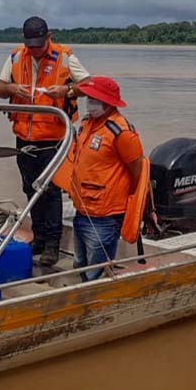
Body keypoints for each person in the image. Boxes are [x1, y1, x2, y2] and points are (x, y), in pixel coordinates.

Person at [0, 16, 91, 266]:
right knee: (29, 188)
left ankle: (52, 245)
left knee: (50, 192)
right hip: (23, 137)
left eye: (40, 45)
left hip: (54, 138)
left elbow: (90, 85)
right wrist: (13, 90)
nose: (35, 51)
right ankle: (38, 237)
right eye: (31, 46)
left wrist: (67, 91)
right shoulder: (16, 56)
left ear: (49, 37)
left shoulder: (65, 56)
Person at [59, 76, 145, 282]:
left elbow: (137, 169)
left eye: (94, 99)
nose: (90, 103)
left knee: (96, 270)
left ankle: (93, 303)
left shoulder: (121, 132)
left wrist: (122, 196)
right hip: (82, 208)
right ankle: (83, 293)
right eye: (89, 98)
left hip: (105, 215)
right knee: (80, 263)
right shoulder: (87, 124)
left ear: (108, 103)